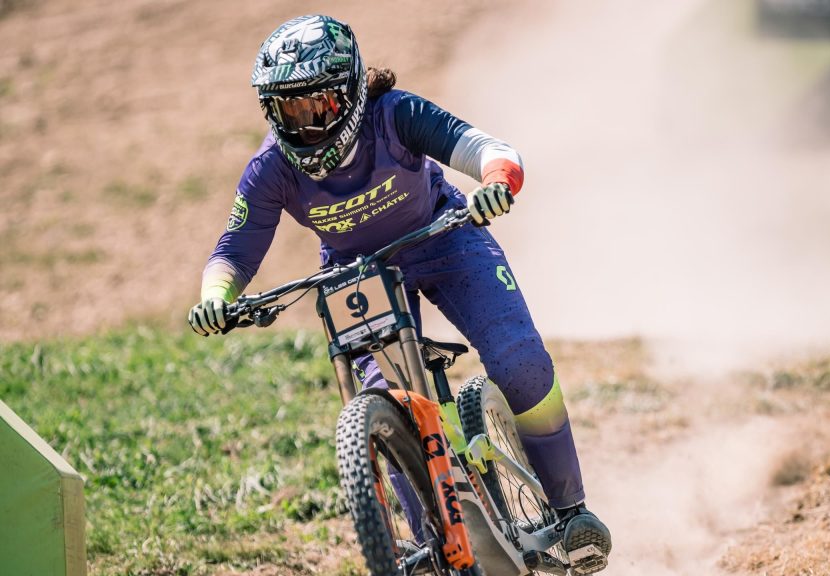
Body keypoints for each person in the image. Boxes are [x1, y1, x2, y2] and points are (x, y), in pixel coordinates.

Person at [186, 14, 611, 573]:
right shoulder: (271, 169)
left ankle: (571, 510)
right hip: (357, 273)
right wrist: (216, 296)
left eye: (318, 105)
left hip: (446, 237)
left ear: (351, 92)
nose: (305, 124)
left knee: (520, 360)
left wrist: (495, 182)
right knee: (386, 401)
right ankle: (426, 545)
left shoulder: (395, 115)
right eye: (289, 110)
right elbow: (234, 251)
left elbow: (485, 149)